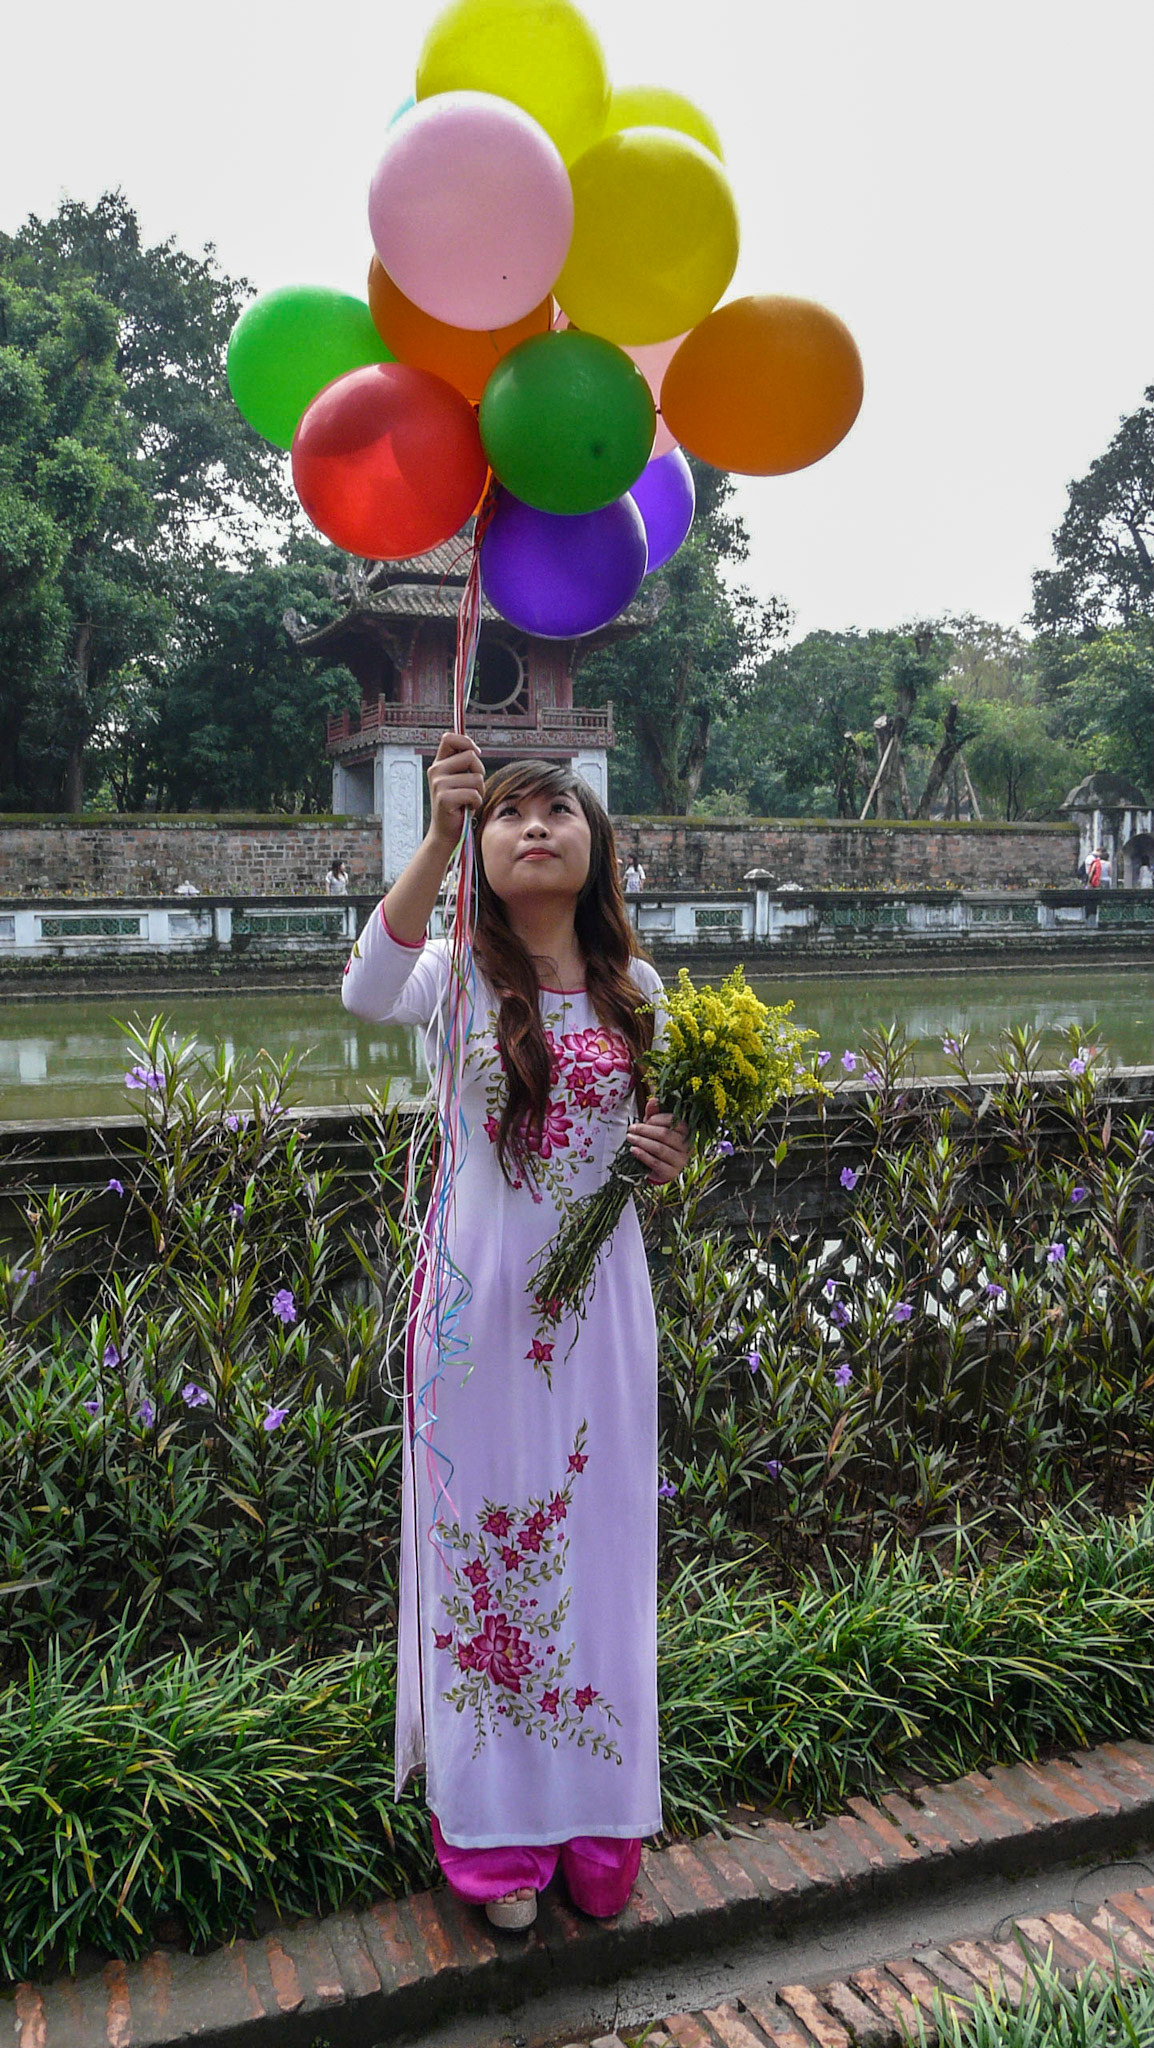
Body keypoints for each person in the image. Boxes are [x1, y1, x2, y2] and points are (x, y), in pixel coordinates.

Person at [341, 733, 688, 1932]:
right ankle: (494, 1843)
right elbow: (359, 991)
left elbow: (658, 1137)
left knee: (594, 1553)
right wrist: (429, 837)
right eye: (509, 814)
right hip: (475, 1309)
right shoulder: (448, 970)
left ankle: (597, 1816)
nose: (534, 825)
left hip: (601, 1312)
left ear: (594, 851)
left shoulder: (635, 993)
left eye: (558, 812)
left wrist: (670, 1153)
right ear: (481, 850)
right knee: (485, 1552)